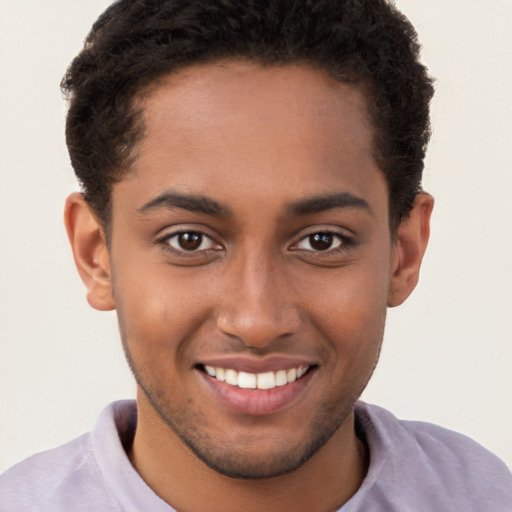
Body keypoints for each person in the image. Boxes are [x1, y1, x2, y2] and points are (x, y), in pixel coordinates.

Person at [0, 0, 510, 510]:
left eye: (322, 241)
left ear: (404, 253)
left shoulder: (483, 494)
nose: (257, 321)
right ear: (97, 256)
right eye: (189, 240)